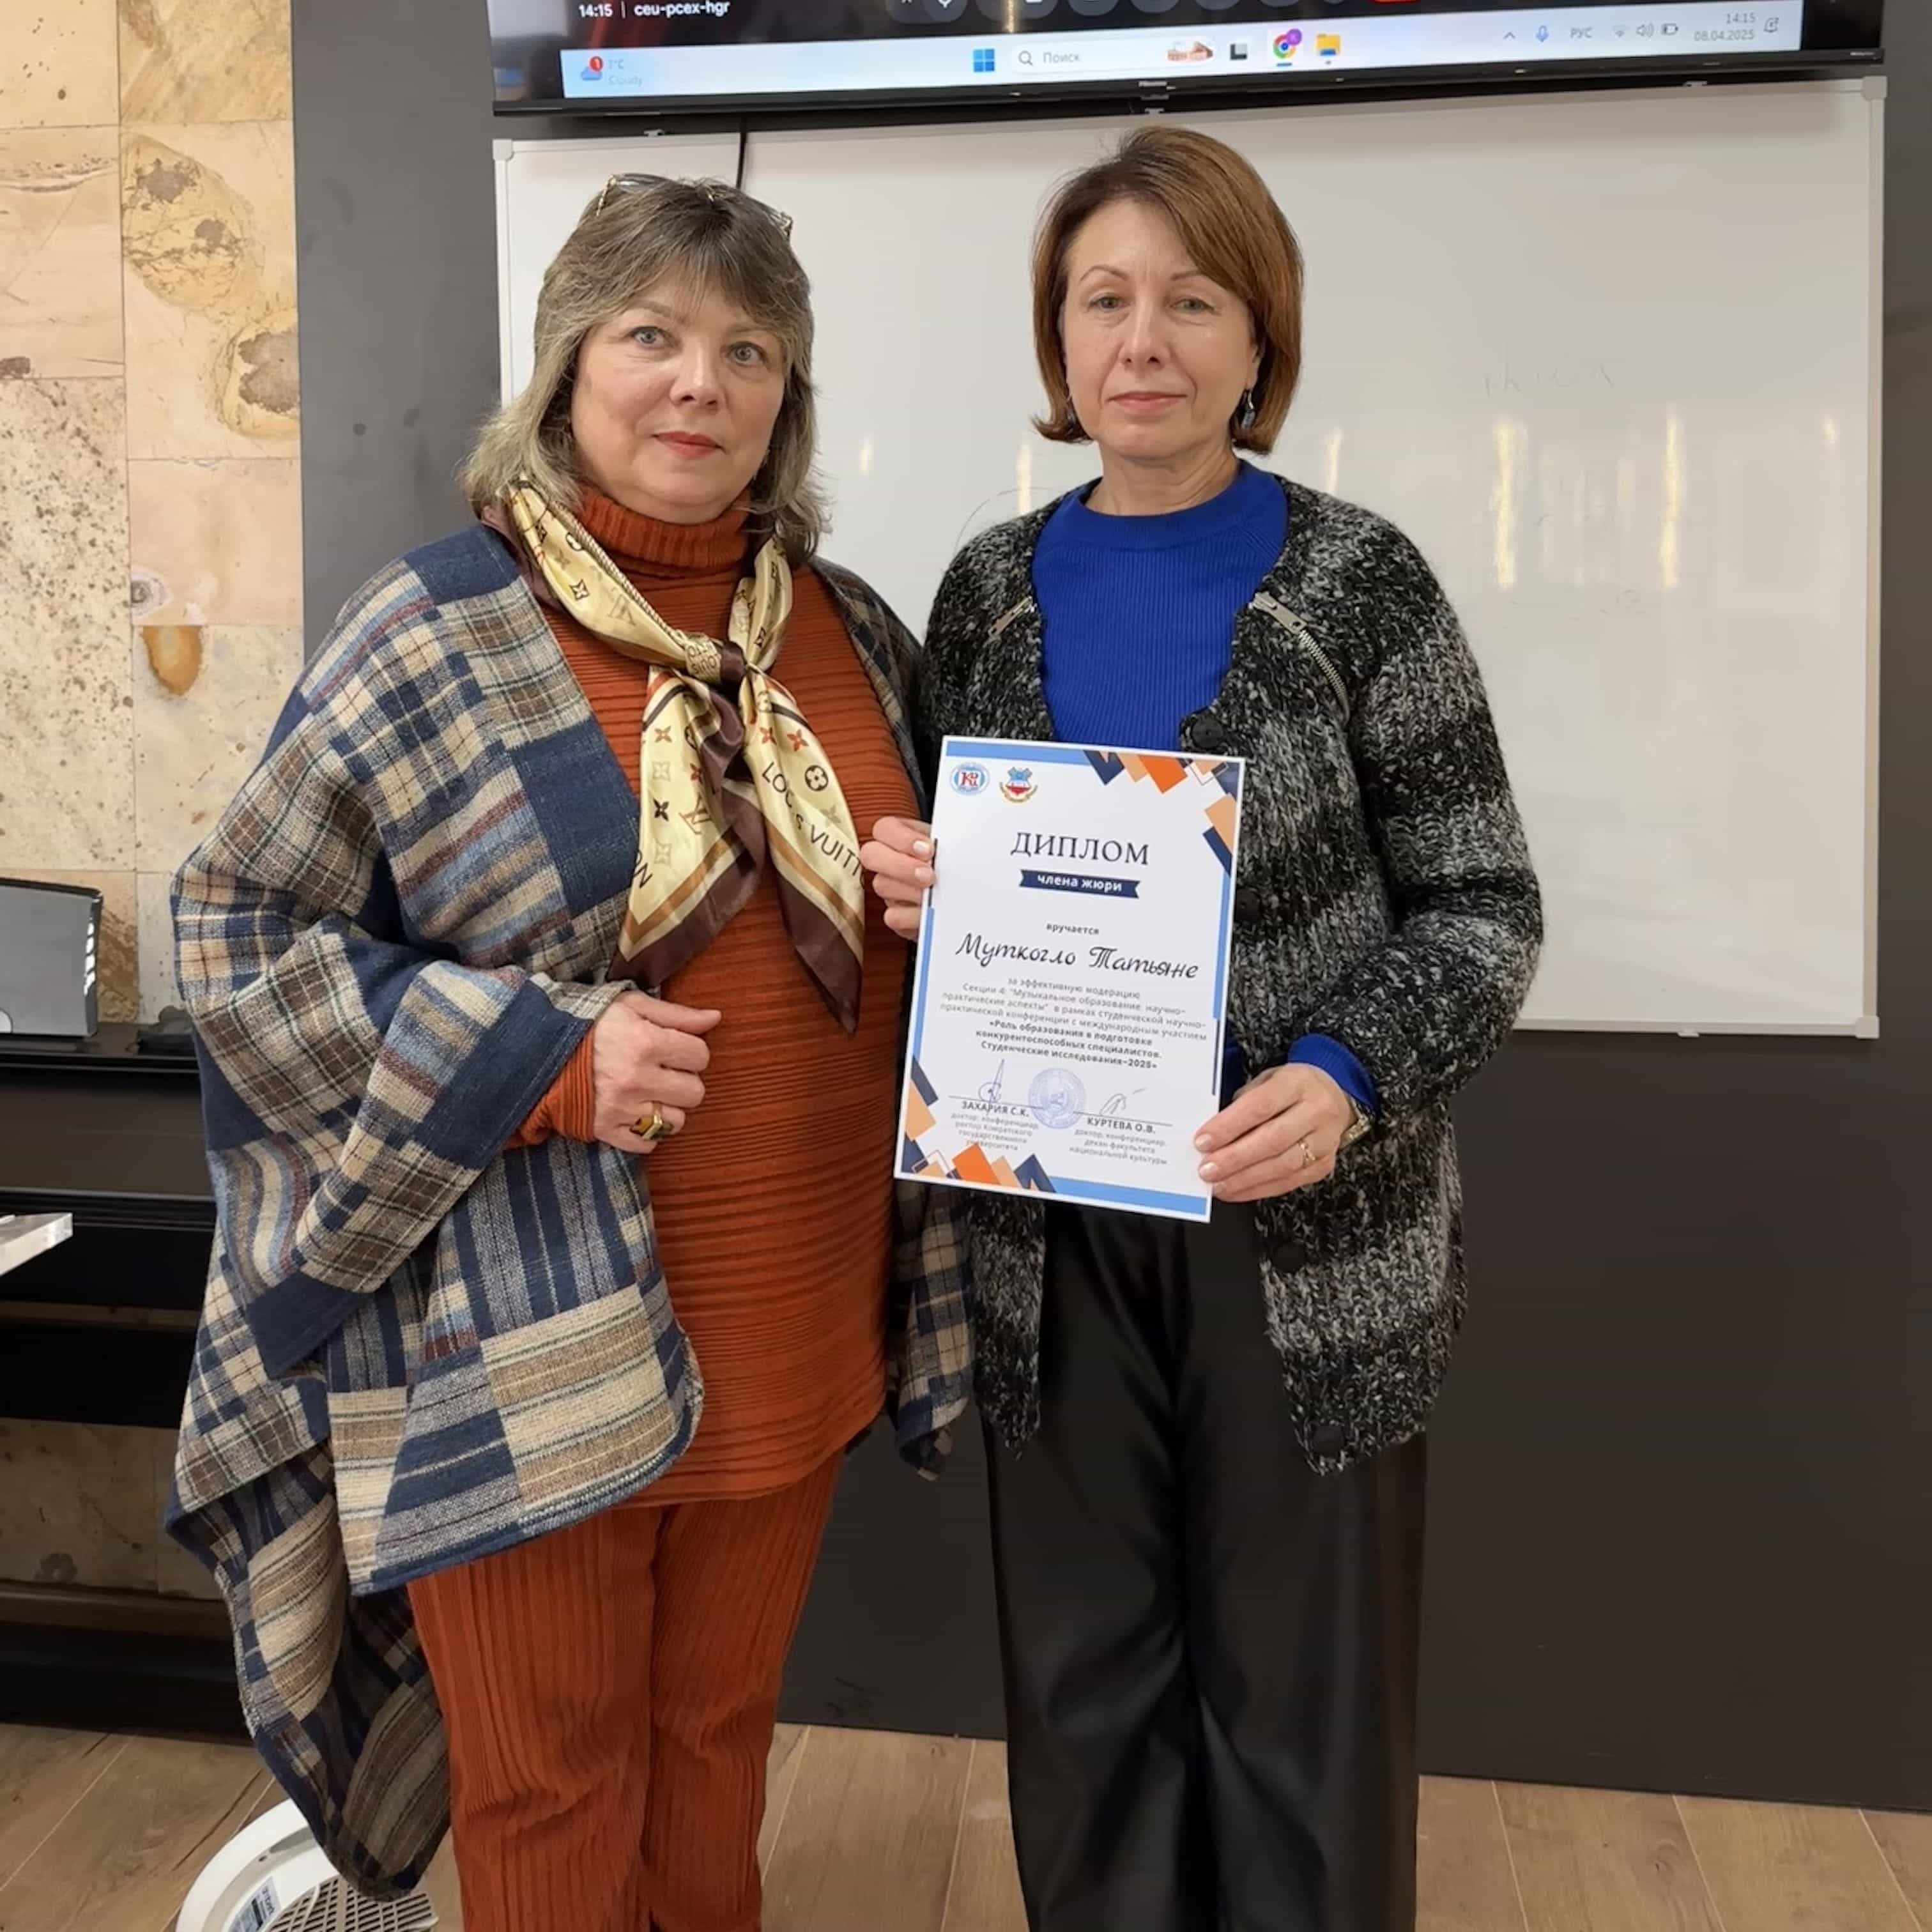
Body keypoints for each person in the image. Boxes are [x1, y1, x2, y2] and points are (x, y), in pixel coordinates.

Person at [166, 174, 971, 1931]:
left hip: (795, 1312)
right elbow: (235, 932)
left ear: (788, 396)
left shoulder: (852, 633)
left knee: (716, 1742)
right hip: (516, 1343)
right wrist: (537, 1059)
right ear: (564, 368)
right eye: (651, 335)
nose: (700, 382)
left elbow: (921, 948)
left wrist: (952, 907)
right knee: (548, 1782)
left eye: (748, 350)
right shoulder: (435, 627)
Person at [862, 123, 1542, 1932]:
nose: (1142, 340)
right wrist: (921, 890)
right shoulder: (983, 593)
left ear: (1260, 340)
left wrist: (1345, 1076)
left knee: (1303, 1712)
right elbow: (954, 898)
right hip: (1048, 1229)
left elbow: (1485, 905)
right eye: (1103, 300)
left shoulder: (1361, 584)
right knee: (1083, 1693)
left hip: (1300, 1238)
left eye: (1192, 299)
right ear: (1058, 340)